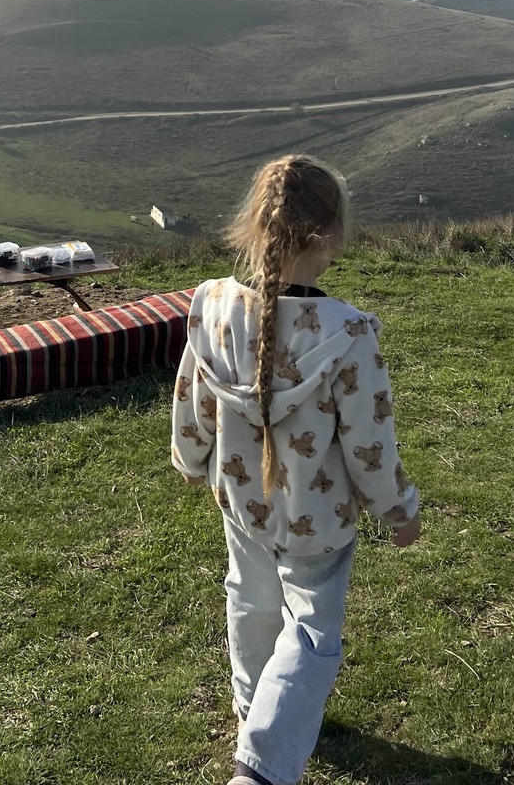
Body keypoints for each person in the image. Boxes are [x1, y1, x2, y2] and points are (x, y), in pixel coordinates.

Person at [171, 154, 421, 785]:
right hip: (319, 515)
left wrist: (191, 457)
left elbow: (192, 398)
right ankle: (262, 765)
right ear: (331, 233)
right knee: (311, 632)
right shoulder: (348, 333)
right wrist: (397, 507)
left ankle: (253, 709)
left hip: (240, 497)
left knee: (250, 602)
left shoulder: (212, 305)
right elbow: (371, 439)